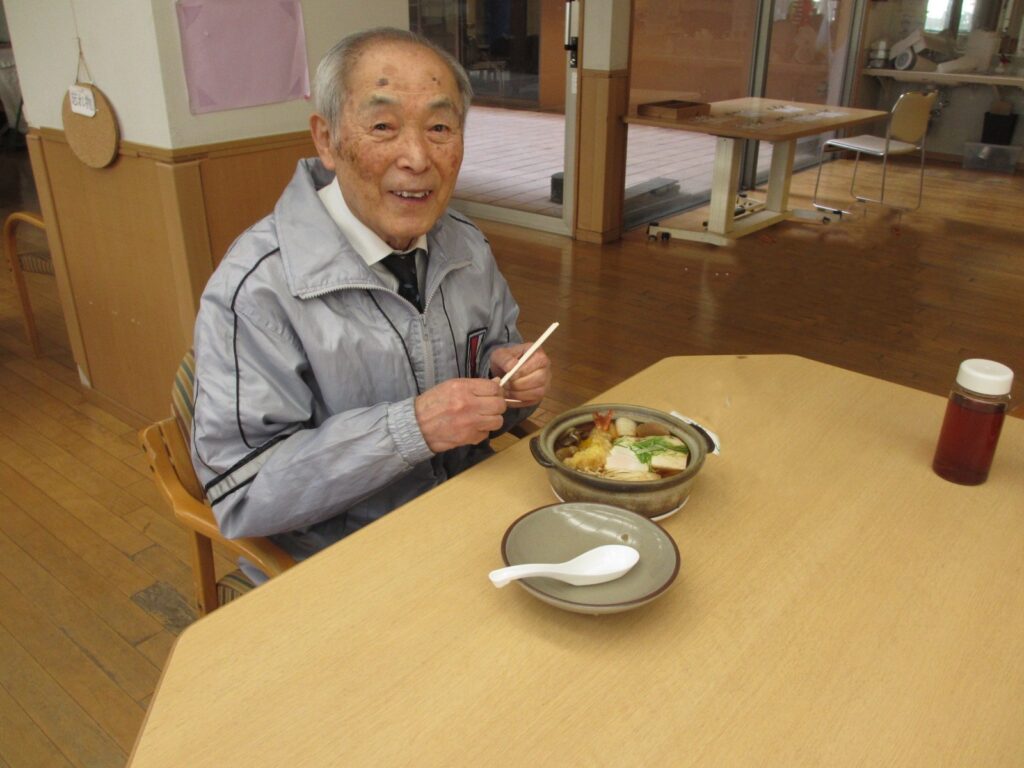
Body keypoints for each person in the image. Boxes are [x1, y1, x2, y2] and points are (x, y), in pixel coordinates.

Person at [189, 27, 551, 578]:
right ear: (327, 139)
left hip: (466, 523)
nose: (417, 158)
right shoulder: (256, 290)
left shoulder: (466, 246)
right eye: (383, 126)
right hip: (338, 565)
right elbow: (242, 492)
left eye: (439, 128)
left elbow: (492, 380)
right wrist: (412, 428)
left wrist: (511, 384)